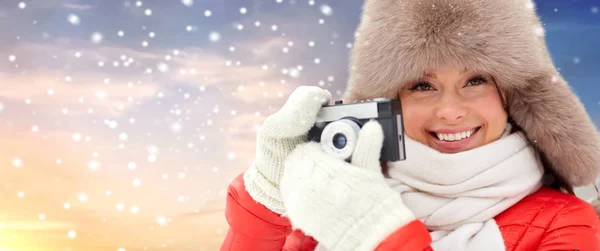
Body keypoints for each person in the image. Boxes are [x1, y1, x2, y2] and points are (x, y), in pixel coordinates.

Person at [220, 0, 600, 250]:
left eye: (475, 80)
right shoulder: (330, 210)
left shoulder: (564, 223)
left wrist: (380, 234)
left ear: (514, 95)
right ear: (388, 102)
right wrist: (266, 200)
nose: (450, 110)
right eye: (422, 85)